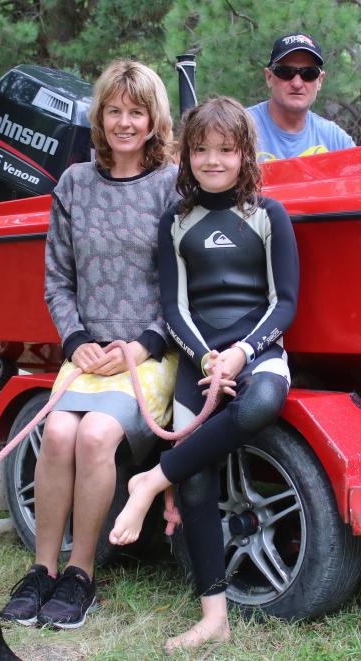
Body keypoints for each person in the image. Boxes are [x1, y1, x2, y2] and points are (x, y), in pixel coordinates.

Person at [109, 96, 299, 654]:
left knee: (261, 402)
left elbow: (283, 302)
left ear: (245, 152)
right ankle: (212, 614)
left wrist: (240, 354)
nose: (213, 160)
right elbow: (173, 308)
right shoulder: (177, 221)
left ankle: (149, 480)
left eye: (225, 149)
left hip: (257, 352)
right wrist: (206, 359)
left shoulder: (268, 214)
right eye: (200, 149)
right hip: (199, 356)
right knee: (195, 479)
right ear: (186, 154)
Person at [0, 59, 180, 629]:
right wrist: (76, 340)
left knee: (97, 434)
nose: (125, 122)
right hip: (86, 352)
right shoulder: (74, 183)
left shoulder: (172, 185)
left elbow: (183, 281)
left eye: (137, 111)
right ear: (99, 117)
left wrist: (143, 342)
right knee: (56, 433)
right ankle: (42, 571)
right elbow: (58, 277)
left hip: (148, 352)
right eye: (114, 110)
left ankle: (81, 574)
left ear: (154, 120)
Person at [248, 32, 355, 162]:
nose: (297, 84)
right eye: (285, 72)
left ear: (320, 80)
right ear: (269, 77)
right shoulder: (240, 128)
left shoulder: (335, 141)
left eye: (309, 73)